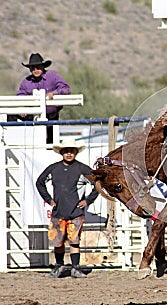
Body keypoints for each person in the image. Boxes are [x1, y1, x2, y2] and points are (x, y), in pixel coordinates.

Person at [36, 138, 99, 278]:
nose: (69, 154)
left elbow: (97, 185)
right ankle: (59, 266)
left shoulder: (82, 168)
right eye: (66, 151)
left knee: (74, 241)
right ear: (62, 153)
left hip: (76, 213)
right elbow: (39, 182)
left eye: (72, 151)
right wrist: (48, 200)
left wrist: (87, 201)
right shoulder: (53, 168)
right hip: (58, 213)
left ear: (76, 152)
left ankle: (75, 268)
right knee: (58, 242)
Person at [10, 53, 71, 143]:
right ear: (30, 69)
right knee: (11, 115)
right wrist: (22, 106)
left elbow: (66, 89)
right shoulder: (26, 81)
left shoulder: (53, 76)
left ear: (43, 66)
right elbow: (20, 95)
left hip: (51, 117)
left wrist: (54, 93)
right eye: (33, 68)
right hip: (32, 116)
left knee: (51, 143)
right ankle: (13, 141)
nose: (35, 70)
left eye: (38, 67)